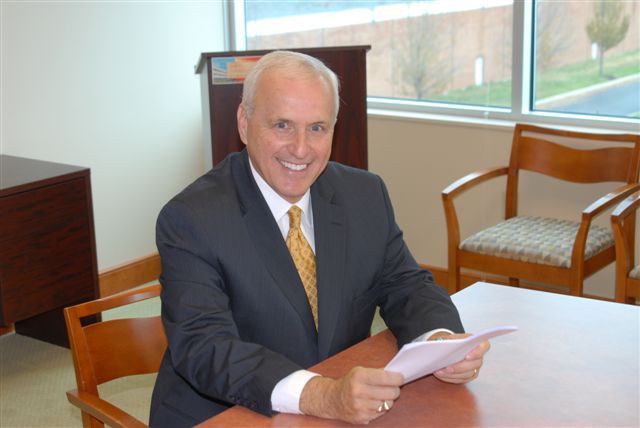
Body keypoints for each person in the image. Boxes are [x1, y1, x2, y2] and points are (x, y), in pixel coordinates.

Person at [149, 50, 489, 427]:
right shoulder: (192, 218)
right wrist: (319, 394)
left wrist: (440, 341)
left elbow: (406, 284)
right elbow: (205, 347)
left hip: (337, 405)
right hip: (225, 411)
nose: (300, 148)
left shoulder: (364, 194)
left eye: (317, 128)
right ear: (245, 124)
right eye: (281, 125)